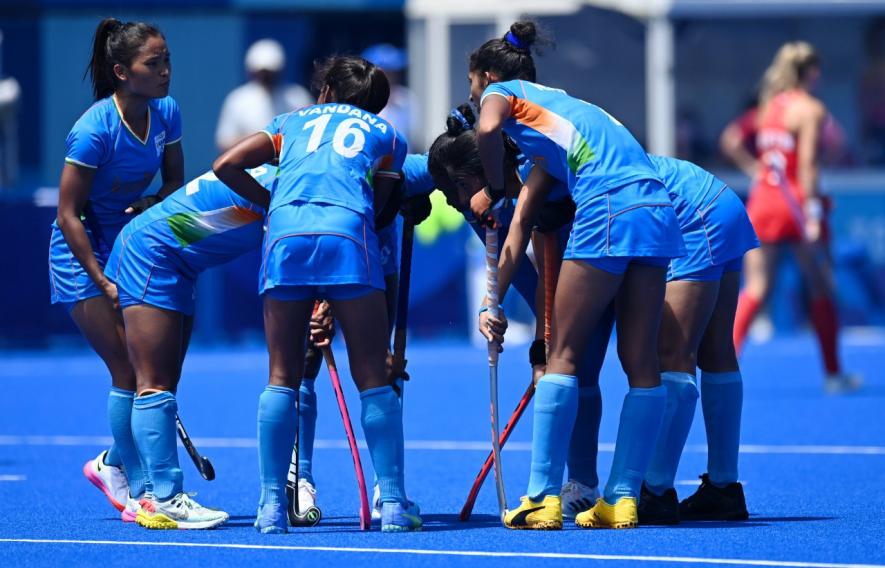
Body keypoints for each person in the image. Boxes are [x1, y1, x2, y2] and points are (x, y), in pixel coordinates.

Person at [466, 21, 685, 530]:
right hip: (656, 208)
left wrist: (494, 183)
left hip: (608, 208)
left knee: (562, 353)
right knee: (640, 361)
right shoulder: (562, 116)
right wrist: (491, 300)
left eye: (472, 83)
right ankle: (623, 499)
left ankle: (541, 498)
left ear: (489, 74)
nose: (474, 95)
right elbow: (519, 228)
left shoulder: (502, 92)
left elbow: (487, 129)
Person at [214, 55, 420, 534]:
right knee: (371, 375)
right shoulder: (387, 134)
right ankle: (392, 504)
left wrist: (275, 204)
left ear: (325, 88)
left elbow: (226, 164)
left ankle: (270, 508)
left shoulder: (288, 121)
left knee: (281, 376)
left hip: (285, 238)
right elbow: (384, 209)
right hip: (349, 239)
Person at [48, 17, 183, 521]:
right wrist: (101, 279)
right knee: (127, 370)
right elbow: (67, 214)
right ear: (123, 71)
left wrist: (149, 201)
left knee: (152, 371)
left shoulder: (167, 113)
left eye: (167, 59)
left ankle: (111, 463)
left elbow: (174, 184)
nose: (166, 70)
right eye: (155, 62)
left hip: (127, 250)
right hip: (79, 257)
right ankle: (142, 491)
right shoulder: (92, 130)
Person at [102, 167, 277, 529]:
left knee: (162, 383)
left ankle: (117, 464)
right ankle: (163, 498)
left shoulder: (279, 173)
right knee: (155, 382)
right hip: (154, 253)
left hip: (177, 260)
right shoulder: (288, 185)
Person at [727, 41, 861, 393]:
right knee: (822, 286)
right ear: (811, 72)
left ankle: (722, 368)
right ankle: (833, 375)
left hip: (763, 202)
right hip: (795, 204)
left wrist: (754, 169)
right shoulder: (811, 109)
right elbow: (808, 166)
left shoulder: (768, 106)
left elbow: (730, 138)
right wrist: (814, 214)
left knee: (756, 288)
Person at [215, 39, 312, 152]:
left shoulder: (297, 96)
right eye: (262, 73)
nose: (266, 77)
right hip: (250, 166)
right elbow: (224, 141)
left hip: (289, 165)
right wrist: (263, 142)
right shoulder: (237, 100)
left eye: (270, 73)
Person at [362, 44, 419, 149]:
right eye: (386, 71)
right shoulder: (361, 99)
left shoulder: (406, 97)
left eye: (394, 71)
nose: (391, 76)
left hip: (402, 161)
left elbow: (415, 135)